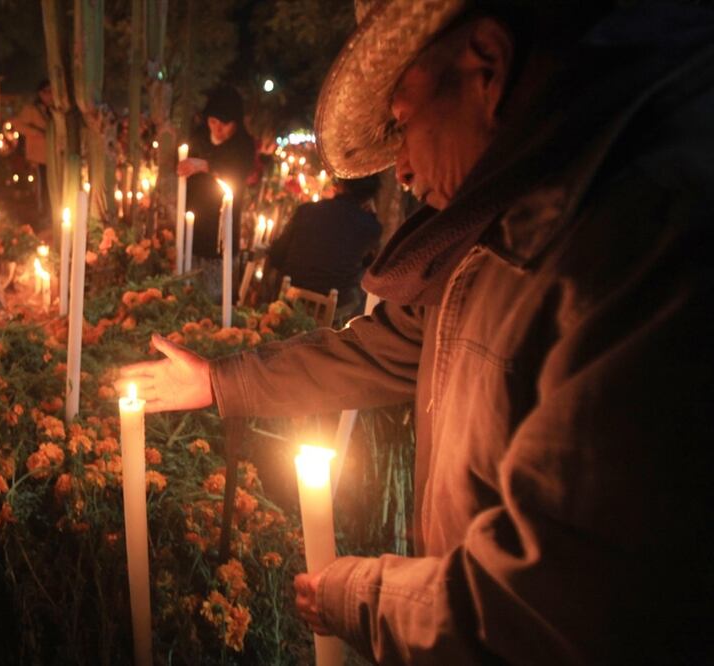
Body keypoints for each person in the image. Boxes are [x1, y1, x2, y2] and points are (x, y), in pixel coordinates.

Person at [121, 0, 714, 662]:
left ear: (485, 68)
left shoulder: (641, 241)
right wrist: (216, 380)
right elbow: (377, 347)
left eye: (402, 124)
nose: (400, 169)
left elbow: (560, 604)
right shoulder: (502, 231)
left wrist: (360, 597)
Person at [179, 86, 256, 302]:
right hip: (193, 226)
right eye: (213, 122)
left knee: (214, 297)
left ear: (236, 123)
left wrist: (204, 165)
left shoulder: (243, 145)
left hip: (222, 229)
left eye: (225, 124)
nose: (218, 129)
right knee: (188, 292)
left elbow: (237, 170)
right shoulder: (198, 138)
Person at [267, 175, 382, 318]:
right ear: (371, 196)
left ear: (341, 184)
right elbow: (369, 266)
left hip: (287, 300)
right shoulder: (371, 227)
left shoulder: (306, 210)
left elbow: (276, 256)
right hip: (332, 312)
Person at [13, 80, 53, 218]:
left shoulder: (55, 110)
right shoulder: (31, 110)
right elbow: (18, 124)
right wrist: (37, 132)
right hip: (39, 156)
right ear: (40, 93)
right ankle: (42, 213)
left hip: (53, 156)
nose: (50, 96)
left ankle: (51, 211)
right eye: (46, 92)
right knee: (42, 186)